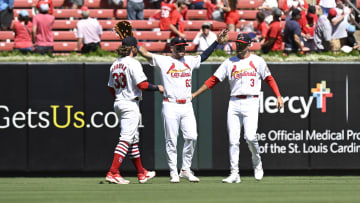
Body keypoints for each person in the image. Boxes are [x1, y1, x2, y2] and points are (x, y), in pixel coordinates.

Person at [192, 33, 284, 183]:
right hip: (234, 102)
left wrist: (278, 96)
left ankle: (257, 162)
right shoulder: (229, 62)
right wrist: (195, 93)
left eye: (242, 44)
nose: (239, 46)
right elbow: (213, 80)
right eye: (237, 43)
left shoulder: (257, 61)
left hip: (251, 101)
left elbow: (269, 78)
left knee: (250, 136)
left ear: (249, 45)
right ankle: (234, 173)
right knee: (233, 140)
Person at [138, 30, 228, 183]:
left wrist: (216, 43)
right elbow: (145, 53)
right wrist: (134, 42)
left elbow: (204, 56)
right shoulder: (164, 60)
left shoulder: (189, 60)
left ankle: (185, 169)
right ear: (171, 48)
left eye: (183, 47)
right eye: (178, 47)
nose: (181, 50)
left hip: (186, 105)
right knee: (171, 140)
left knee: (192, 136)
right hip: (170, 104)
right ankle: (173, 171)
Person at [106, 36, 164, 184]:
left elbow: (110, 87)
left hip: (119, 101)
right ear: (132, 48)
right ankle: (113, 172)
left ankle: (141, 172)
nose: (137, 49)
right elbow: (142, 85)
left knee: (133, 140)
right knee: (126, 139)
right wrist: (158, 87)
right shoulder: (133, 63)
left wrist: (120, 97)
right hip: (129, 104)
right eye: (136, 47)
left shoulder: (115, 64)